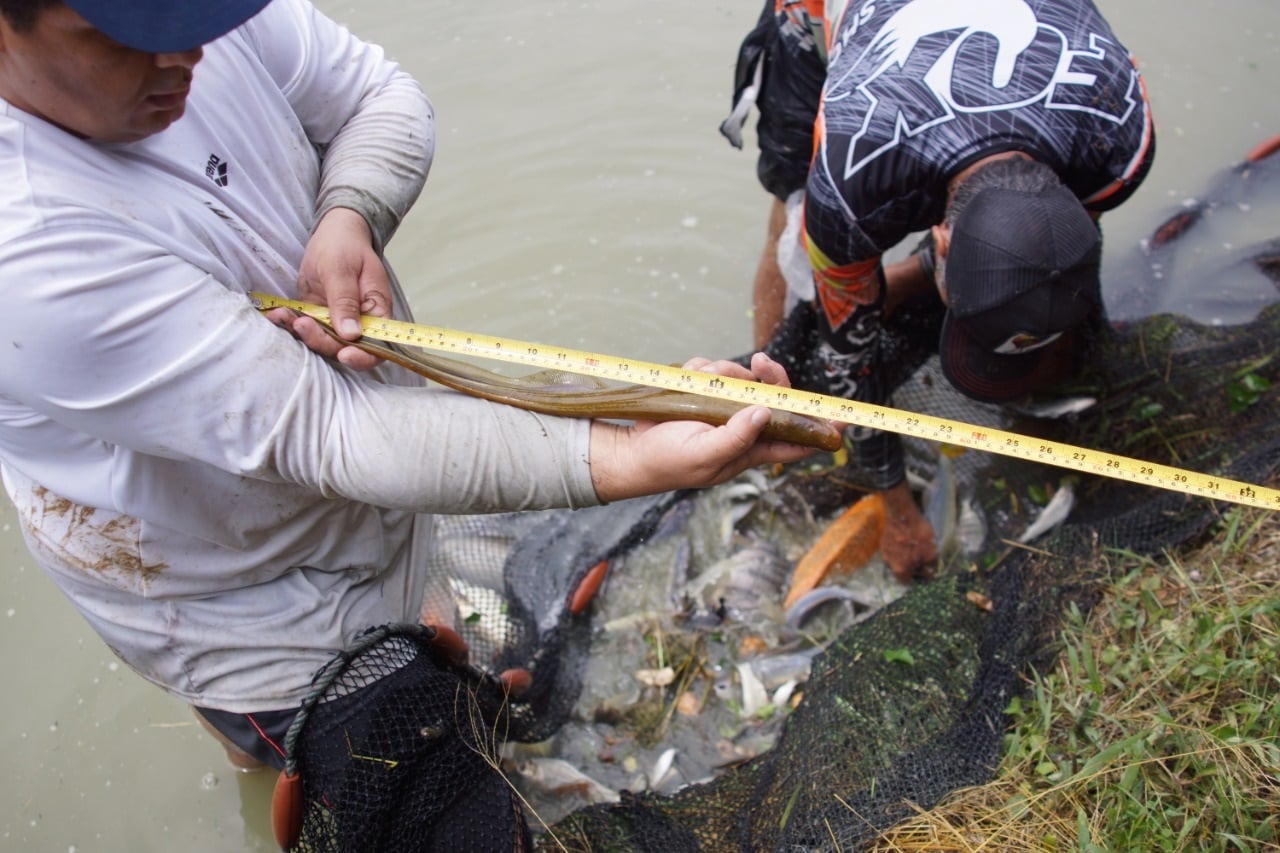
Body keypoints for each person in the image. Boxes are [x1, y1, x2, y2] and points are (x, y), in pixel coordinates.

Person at [0, 0, 815, 773]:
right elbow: (333, 433)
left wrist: (348, 211)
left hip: (367, 490)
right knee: (304, 739)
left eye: (199, 14)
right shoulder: (25, 248)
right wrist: (632, 454)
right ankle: (265, 749)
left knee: (429, 619)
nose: (186, 53)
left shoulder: (193, 30)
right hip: (252, 603)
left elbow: (378, 94)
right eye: (123, 36)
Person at [724, 0, 1155, 581]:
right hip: (828, 27)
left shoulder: (1116, 139)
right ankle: (769, 408)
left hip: (1012, 75)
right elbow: (846, 358)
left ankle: (885, 291)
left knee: (862, 291)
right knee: (799, 235)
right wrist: (897, 511)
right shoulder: (852, 183)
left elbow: (1061, 247)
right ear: (942, 238)